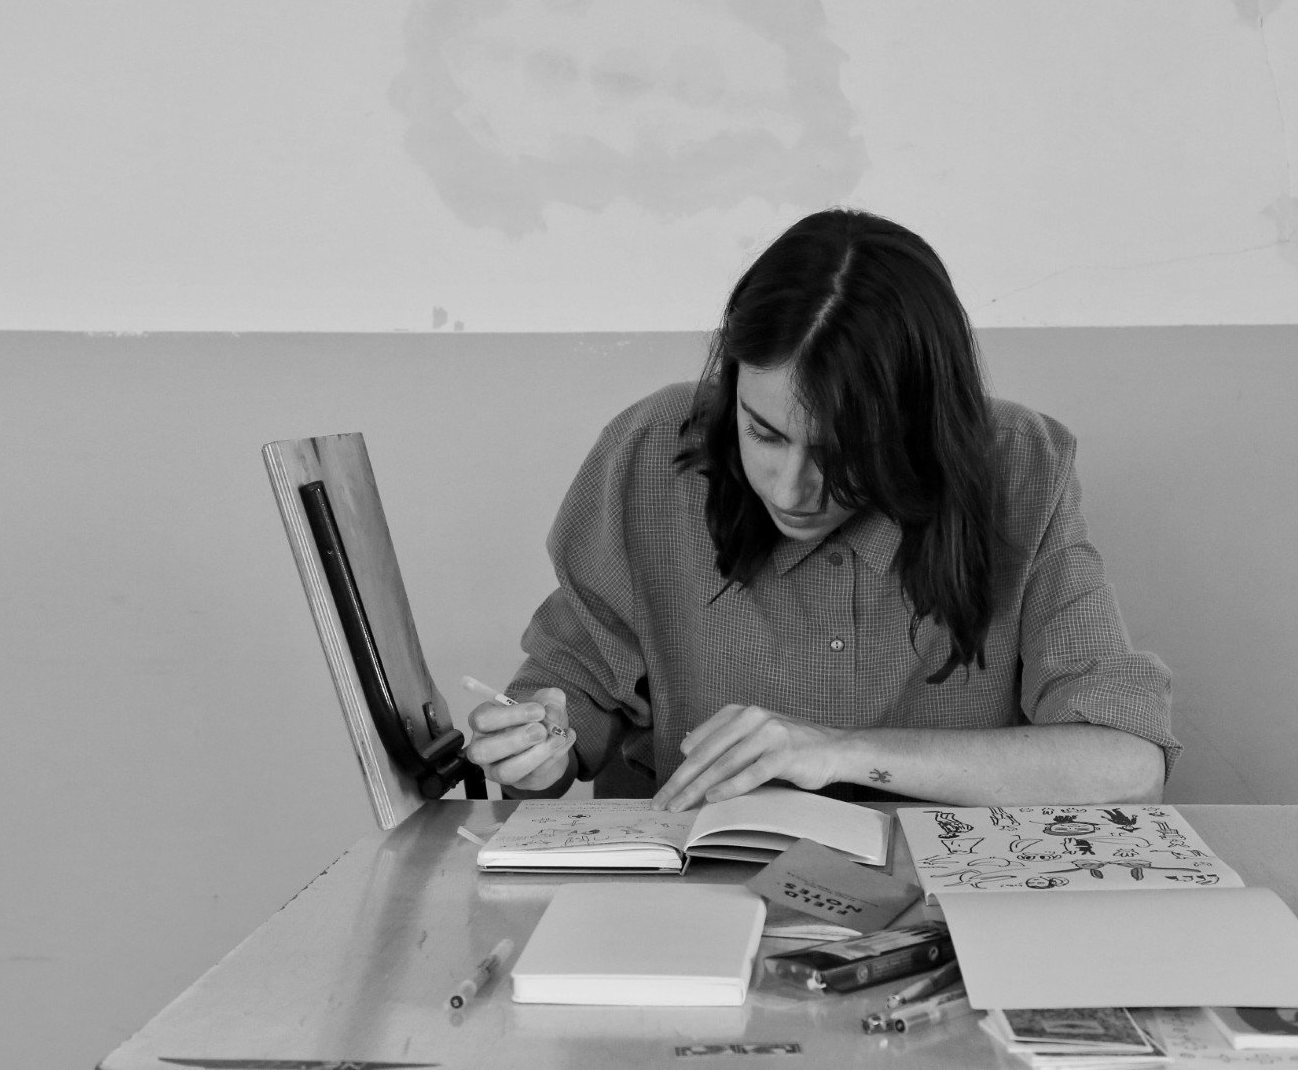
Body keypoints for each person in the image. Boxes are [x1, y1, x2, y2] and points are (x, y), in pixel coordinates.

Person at [466, 209, 1178, 809]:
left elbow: (1126, 760)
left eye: (844, 451)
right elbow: (571, 690)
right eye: (763, 432)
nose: (790, 489)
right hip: (692, 897)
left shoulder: (1021, 464)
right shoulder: (652, 451)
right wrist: (539, 741)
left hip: (944, 903)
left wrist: (839, 751)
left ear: (920, 424)